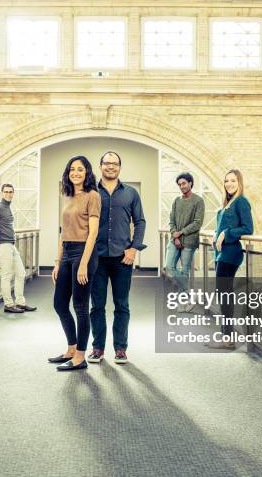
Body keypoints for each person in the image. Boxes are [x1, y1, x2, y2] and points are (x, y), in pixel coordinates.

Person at [88, 151, 146, 365]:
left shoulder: (130, 193)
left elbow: (140, 222)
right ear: (100, 166)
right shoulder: (91, 191)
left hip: (123, 258)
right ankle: (97, 348)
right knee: (97, 306)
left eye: (115, 164)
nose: (110, 167)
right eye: (106, 163)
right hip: (97, 258)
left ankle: (120, 349)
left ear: (120, 167)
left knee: (122, 305)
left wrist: (134, 249)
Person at [48, 155, 100, 371]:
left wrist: (84, 263)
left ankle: (80, 356)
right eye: (72, 169)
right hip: (67, 251)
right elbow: (63, 232)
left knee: (80, 307)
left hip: (83, 252)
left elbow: (93, 231)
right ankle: (71, 348)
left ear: (87, 172)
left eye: (80, 169)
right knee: (60, 304)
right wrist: (58, 262)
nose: (76, 173)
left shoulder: (93, 195)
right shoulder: (68, 195)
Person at [211, 168, 254, 349]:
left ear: (240, 183)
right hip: (222, 254)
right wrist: (216, 234)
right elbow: (222, 225)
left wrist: (226, 234)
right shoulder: (228, 203)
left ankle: (228, 338)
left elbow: (248, 228)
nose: (229, 184)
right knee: (223, 295)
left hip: (231, 255)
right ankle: (225, 335)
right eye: (227, 181)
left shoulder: (241, 202)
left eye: (233, 181)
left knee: (225, 296)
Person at [0, 183, 36, 314]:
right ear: (2, 193)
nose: (8, 194)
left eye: (11, 192)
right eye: (6, 192)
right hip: (3, 245)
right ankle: (8, 304)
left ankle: (20, 302)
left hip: (11, 245)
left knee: (21, 273)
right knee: (6, 275)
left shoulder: (9, 207)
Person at [165, 172, 205, 294]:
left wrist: (181, 232)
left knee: (184, 270)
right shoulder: (176, 201)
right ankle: (187, 291)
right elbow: (171, 221)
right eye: (179, 184)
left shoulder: (198, 201)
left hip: (189, 240)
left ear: (190, 183)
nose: (182, 186)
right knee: (169, 266)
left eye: (184, 183)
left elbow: (197, 222)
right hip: (175, 239)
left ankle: (184, 299)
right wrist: (175, 236)